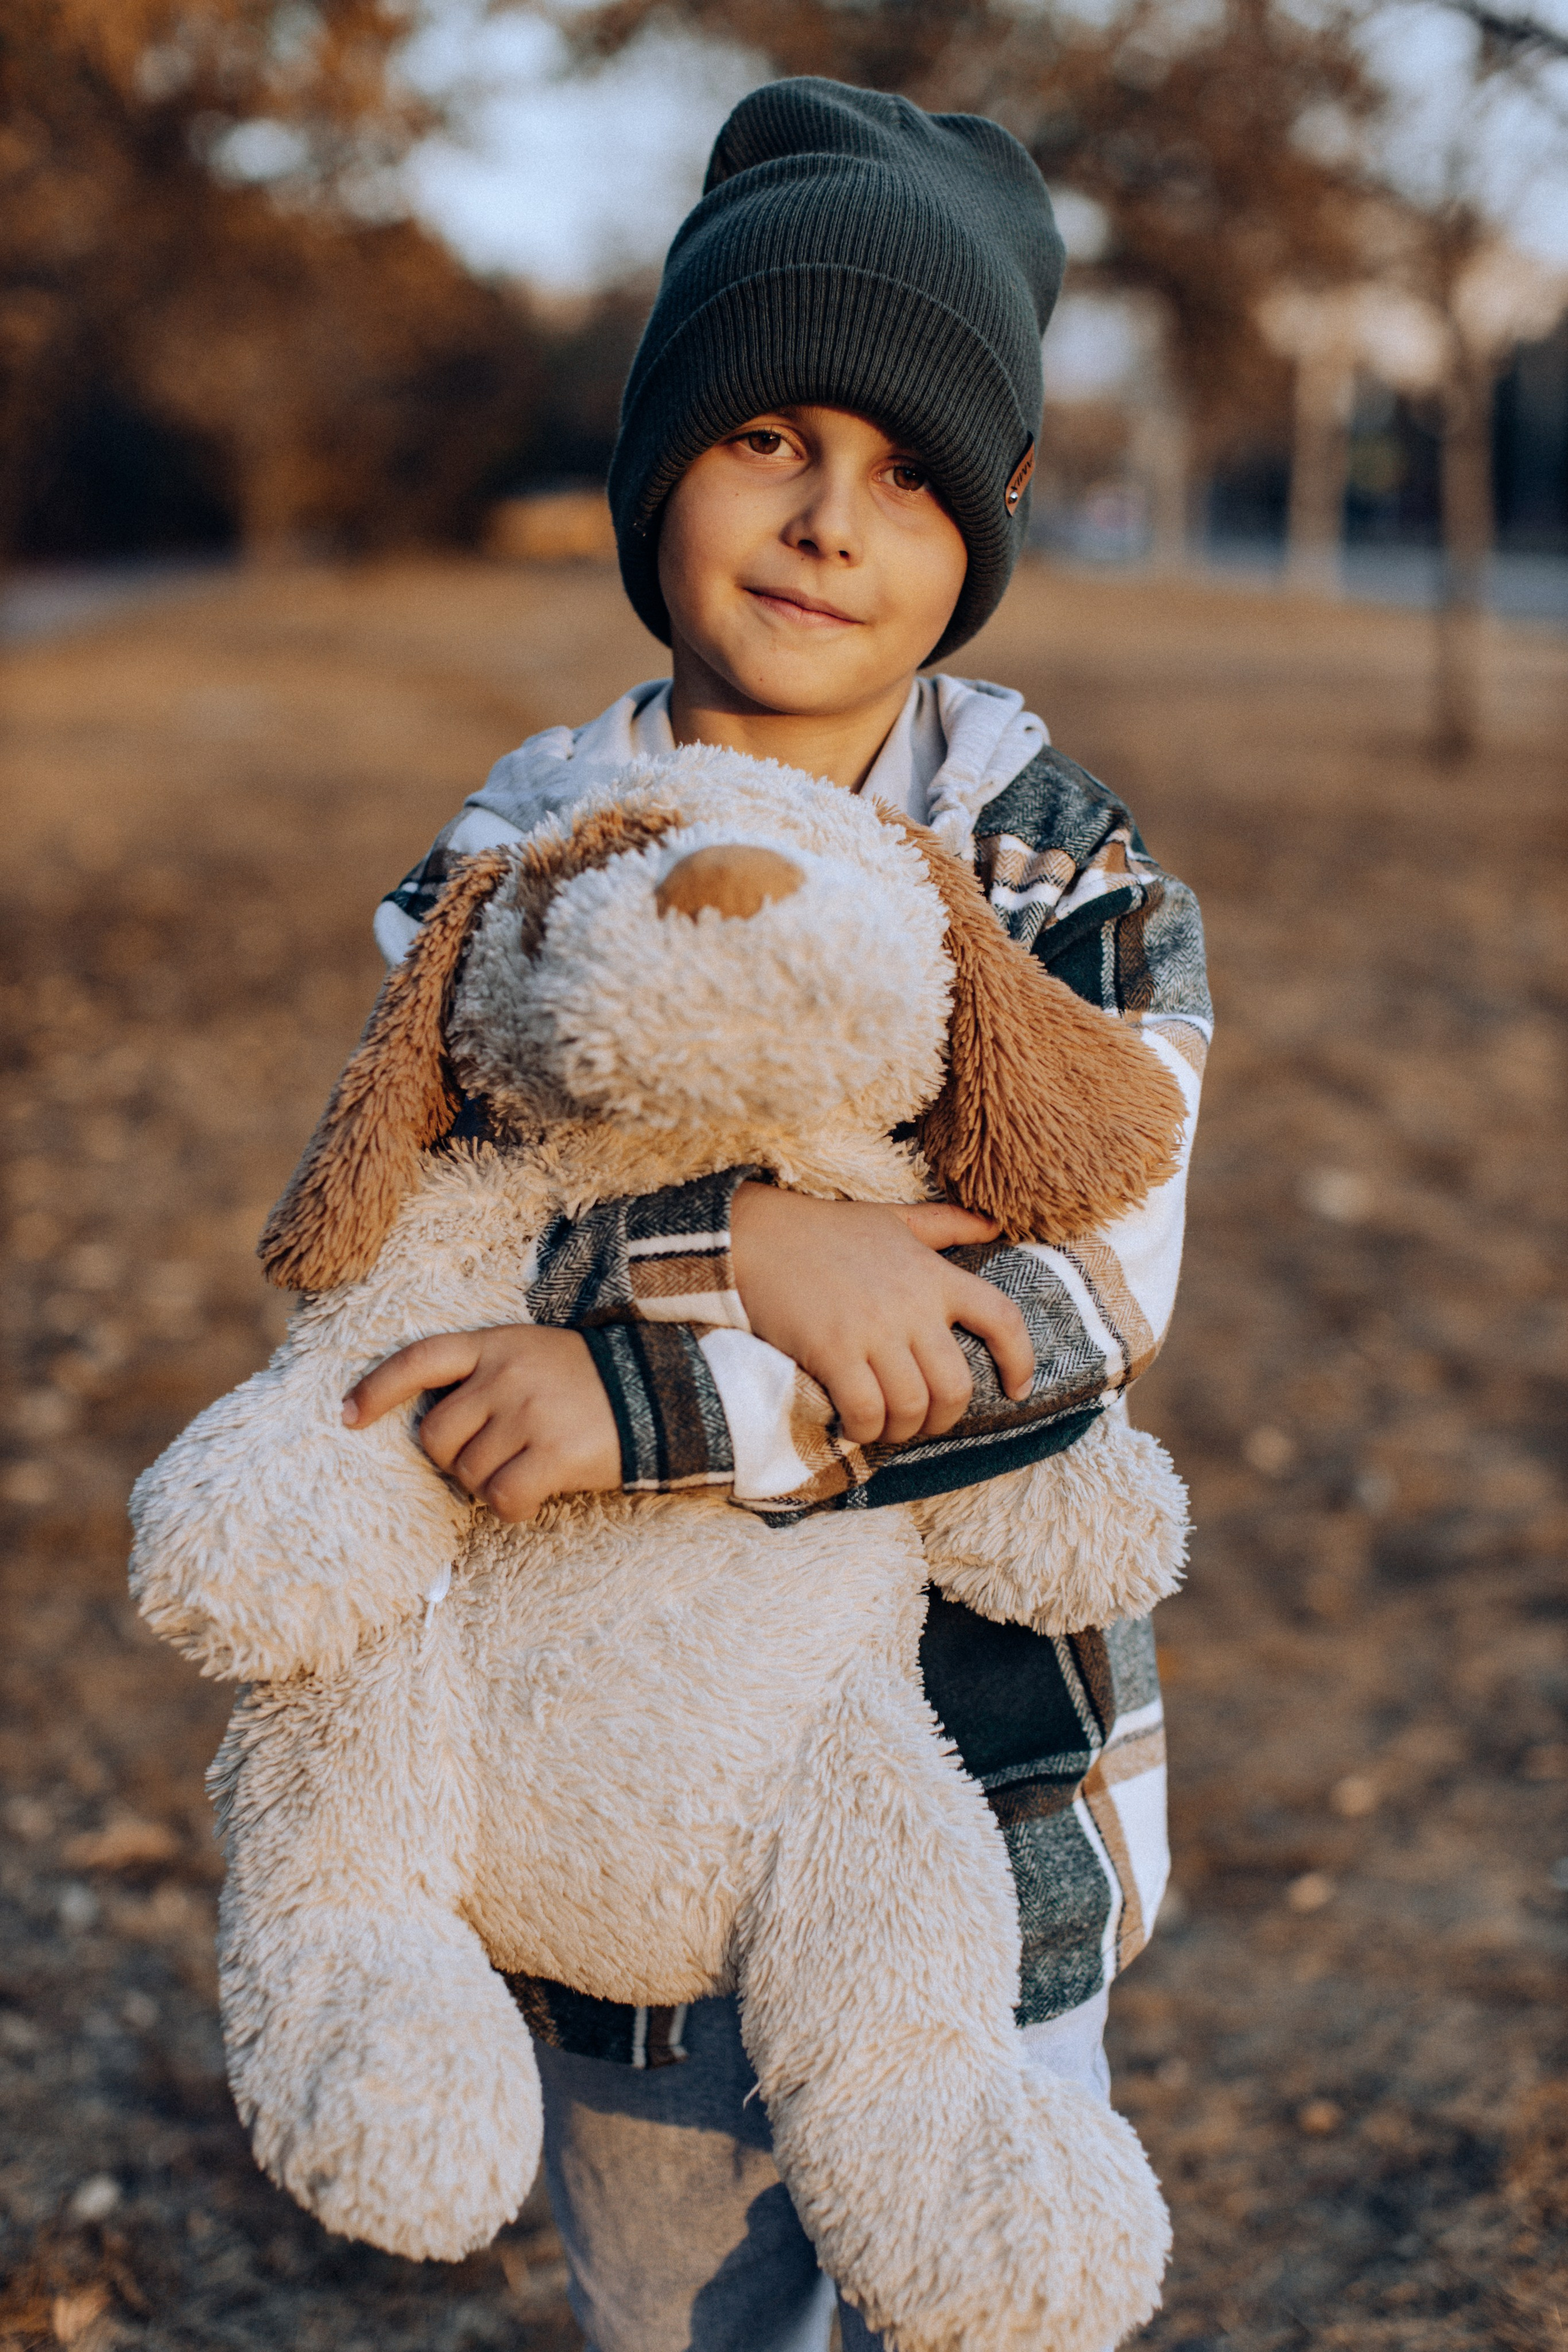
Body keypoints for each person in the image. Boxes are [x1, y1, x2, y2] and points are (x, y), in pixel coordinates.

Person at [344, 77, 1210, 2352]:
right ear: (662, 461)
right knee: (694, 2314)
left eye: (915, 474)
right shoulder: (505, 871)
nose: (835, 521)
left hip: (982, 1784)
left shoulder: (1073, 889)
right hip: (613, 1818)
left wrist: (654, 1351)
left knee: (979, 2296)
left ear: (997, 514)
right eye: (771, 440)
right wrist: (773, 1254)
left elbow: (1071, 1313)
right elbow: (412, 1263)